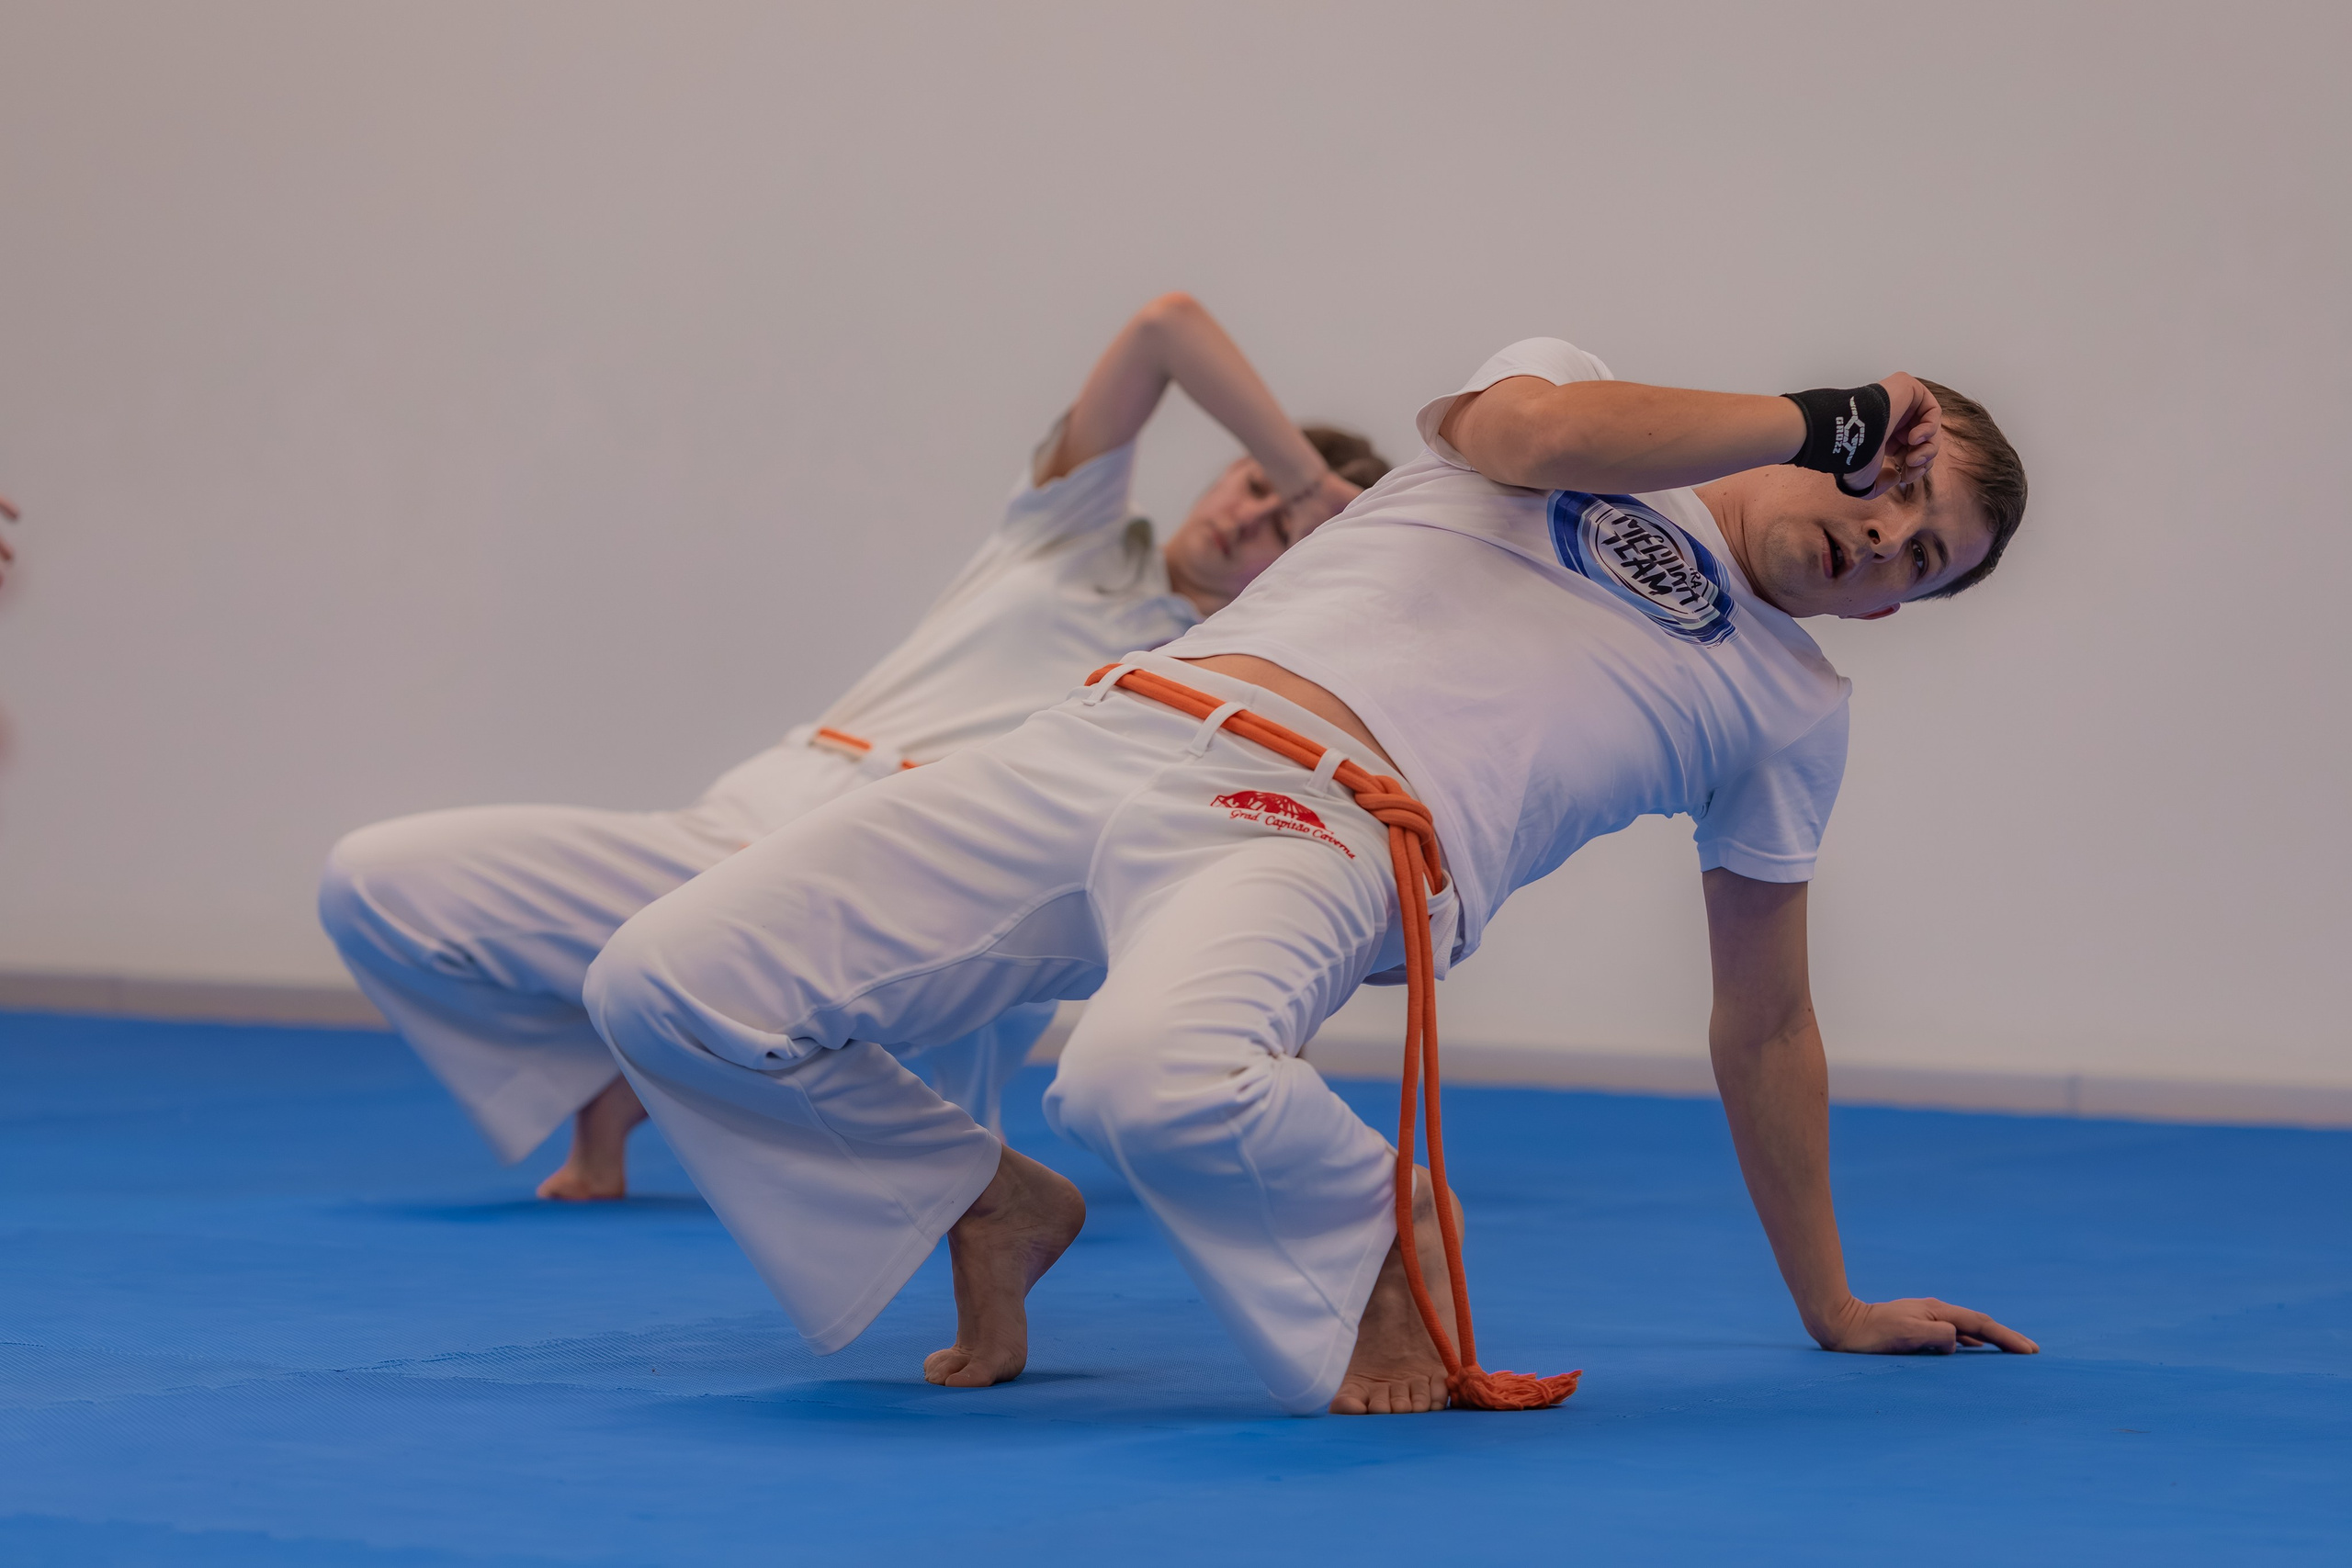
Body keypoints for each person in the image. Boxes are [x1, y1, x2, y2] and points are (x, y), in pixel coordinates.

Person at [580, 331, 2039, 1415]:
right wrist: (1819, 412)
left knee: (1140, 1077)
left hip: (1328, 820)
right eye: (1900, 489)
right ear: (1846, 432)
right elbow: (1526, 435)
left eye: (1925, 559)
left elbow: (1768, 1021)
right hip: (1112, 729)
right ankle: (981, 1199)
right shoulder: (1568, 395)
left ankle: (1373, 1222)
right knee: (663, 978)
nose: (1886, 542)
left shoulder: (1791, 705)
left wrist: (1833, 1301)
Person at [319, 293, 1385, 1199]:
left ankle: (688, 1078)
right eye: (1255, 488)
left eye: (1286, 532)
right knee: (376, 882)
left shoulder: (1231, 681)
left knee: (983, 1033)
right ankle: (617, 1075)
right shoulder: (1070, 535)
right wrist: (1306, 481)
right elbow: (1165, 326)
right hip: (768, 812)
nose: (1254, 521)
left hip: (952, 888)